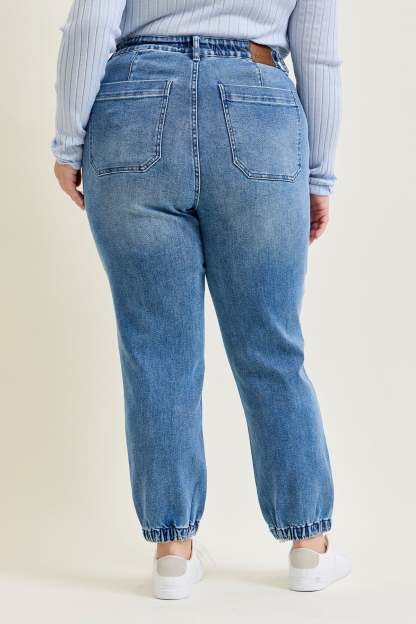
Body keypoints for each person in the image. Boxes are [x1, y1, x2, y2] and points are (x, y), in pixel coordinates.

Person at [52, 0, 351, 598]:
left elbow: (91, 21)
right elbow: (318, 53)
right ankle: (309, 547)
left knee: (155, 350)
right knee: (271, 346)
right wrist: (318, 175)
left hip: (134, 103)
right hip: (259, 104)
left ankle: (172, 554)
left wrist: (68, 143)